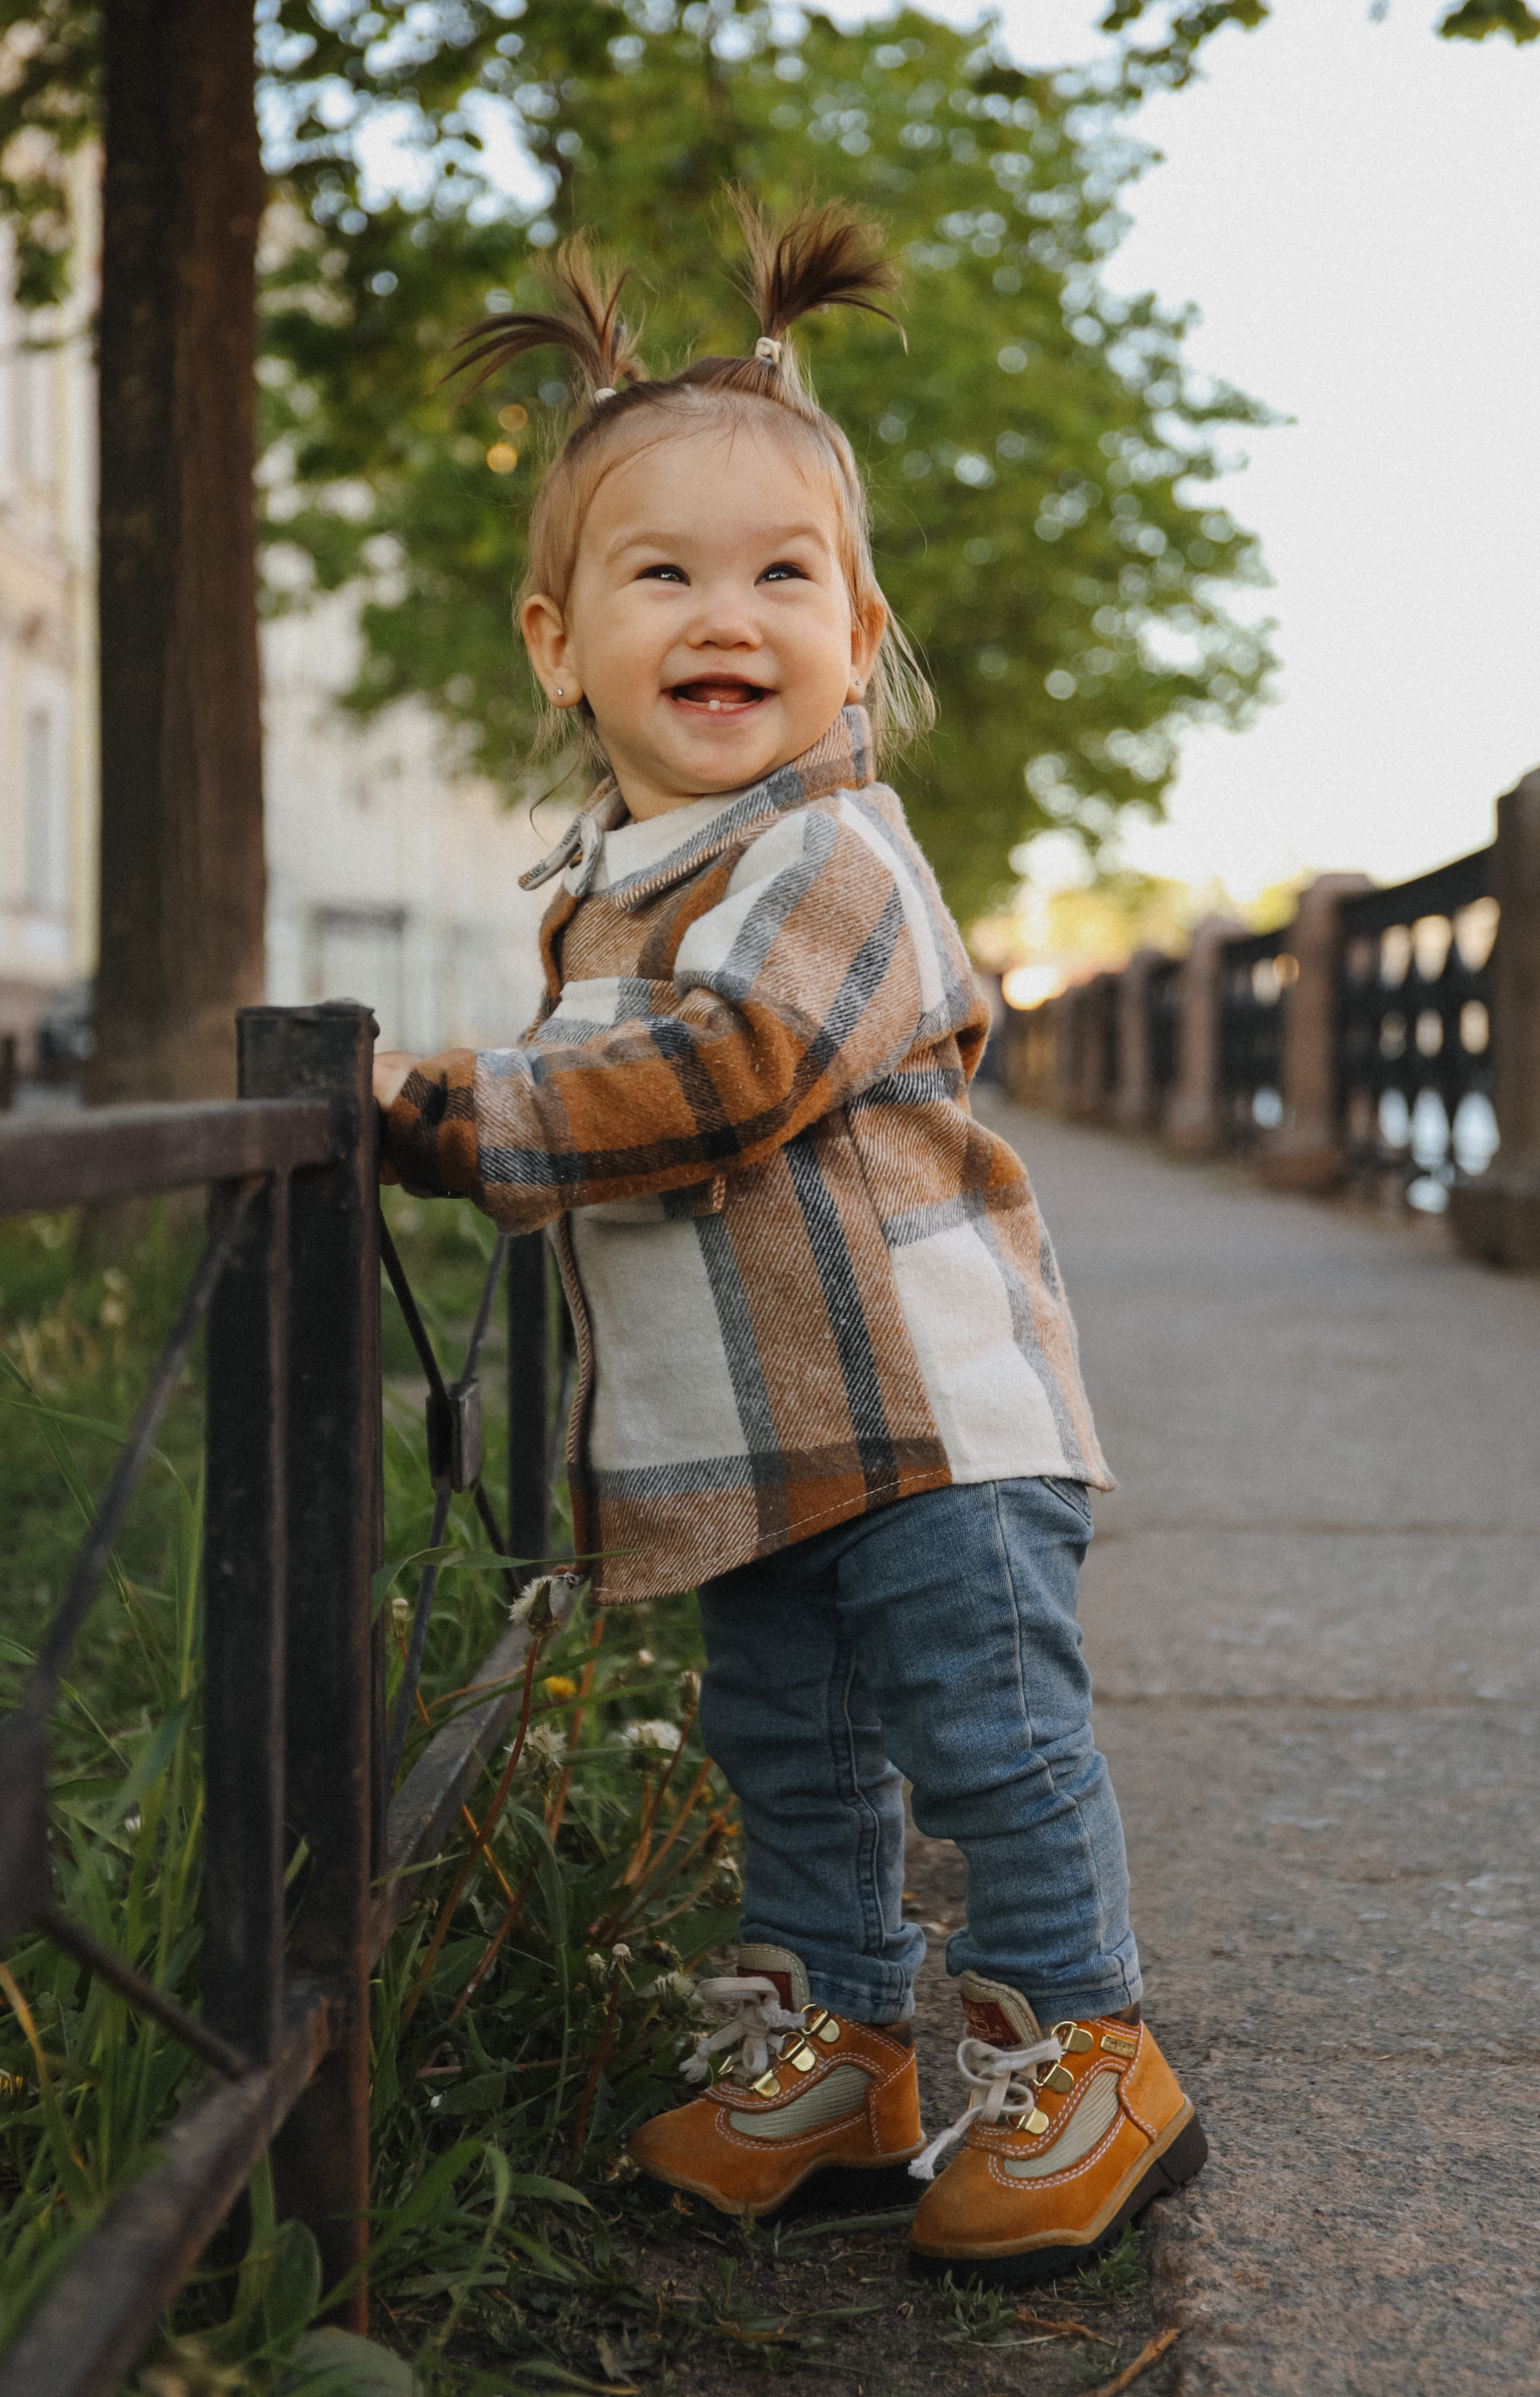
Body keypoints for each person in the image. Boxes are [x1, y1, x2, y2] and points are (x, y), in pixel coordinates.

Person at [373, 200, 1206, 2286]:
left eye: (780, 575)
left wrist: (462, 1112)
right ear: (561, 642)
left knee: (987, 1737)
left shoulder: (831, 855)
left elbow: (724, 1074)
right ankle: (843, 2051)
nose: (724, 611)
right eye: (662, 573)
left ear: (857, 629)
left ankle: (1085, 2044)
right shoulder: (610, 883)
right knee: (791, 1753)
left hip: (930, 1422)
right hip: (751, 1448)